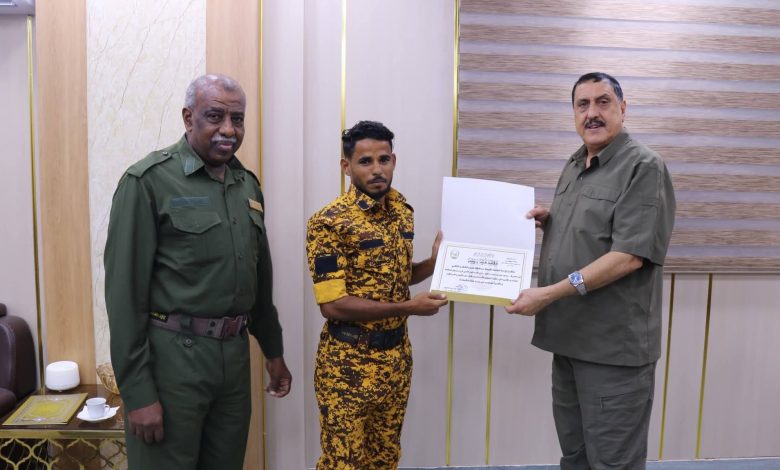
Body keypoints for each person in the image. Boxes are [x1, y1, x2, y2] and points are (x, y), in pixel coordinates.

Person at [104, 74, 291, 470]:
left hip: (233, 362)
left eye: (237, 119)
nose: (229, 129)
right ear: (189, 118)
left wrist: (273, 352)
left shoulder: (247, 186)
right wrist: (138, 394)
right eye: (215, 116)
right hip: (173, 363)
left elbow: (259, 282)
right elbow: (124, 298)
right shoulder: (148, 181)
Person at [506, 72, 676, 469]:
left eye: (603, 102)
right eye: (582, 104)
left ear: (623, 108)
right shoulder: (575, 162)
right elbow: (594, 231)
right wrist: (551, 221)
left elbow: (629, 256)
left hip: (612, 350)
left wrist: (548, 294)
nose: (592, 113)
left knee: (613, 461)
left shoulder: (644, 167)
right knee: (576, 456)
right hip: (568, 339)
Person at [306, 120, 448, 469]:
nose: (377, 169)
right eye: (365, 161)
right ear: (346, 166)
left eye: (383, 159)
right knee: (344, 463)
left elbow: (396, 276)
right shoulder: (328, 222)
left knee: (385, 459)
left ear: (393, 160)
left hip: (396, 358)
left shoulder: (401, 211)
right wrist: (408, 307)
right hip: (347, 364)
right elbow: (333, 305)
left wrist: (434, 263)